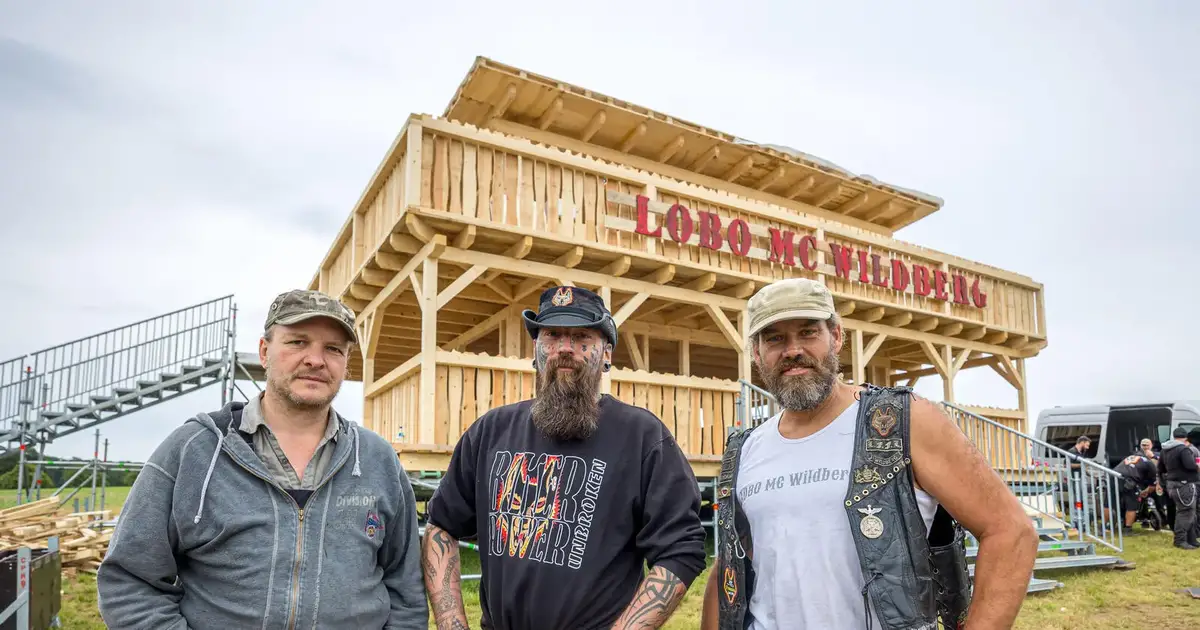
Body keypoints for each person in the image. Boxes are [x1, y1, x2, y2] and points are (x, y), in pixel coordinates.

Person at [700, 278, 1038, 630]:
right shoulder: (746, 449)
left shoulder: (903, 421)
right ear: (756, 354)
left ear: (836, 336)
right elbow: (731, 564)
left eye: (808, 332)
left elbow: (1010, 531)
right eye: (774, 338)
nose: (792, 350)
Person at [97, 289, 429, 628]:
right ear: (264, 351)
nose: (316, 360)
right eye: (298, 342)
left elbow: (406, 590)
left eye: (333, 349)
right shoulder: (195, 451)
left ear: (345, 362)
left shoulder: (376, 460)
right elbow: (130, 580)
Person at [421, 285, 706, 630]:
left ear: (607, 353)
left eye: (581, 336)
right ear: (537, 349)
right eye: (552, 335)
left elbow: (680, 548)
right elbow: (442, 525)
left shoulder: (642, 437)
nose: (565, 348)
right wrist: (451, 624)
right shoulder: (491, 432)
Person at [1158, 427, 1200, 549]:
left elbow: (1161, 468)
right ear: (1185, 437)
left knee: (1188, 512)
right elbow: (1190, 466)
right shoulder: (1183, 449)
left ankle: (1191, 539)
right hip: (1184, 484)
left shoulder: (1165, 449)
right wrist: (1197, 466)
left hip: (1172, 484)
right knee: (1186, 512)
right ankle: (1180, 540)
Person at [1113, 452, 1157, 531]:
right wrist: (1145, 492)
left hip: (1114, 476)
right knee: (1131, 505)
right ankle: (1128, 529)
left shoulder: (1131, 458)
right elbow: (1152, 485)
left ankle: (1105, 525)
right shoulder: (1149, 463)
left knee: (1111, 502)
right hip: (1130, 481)